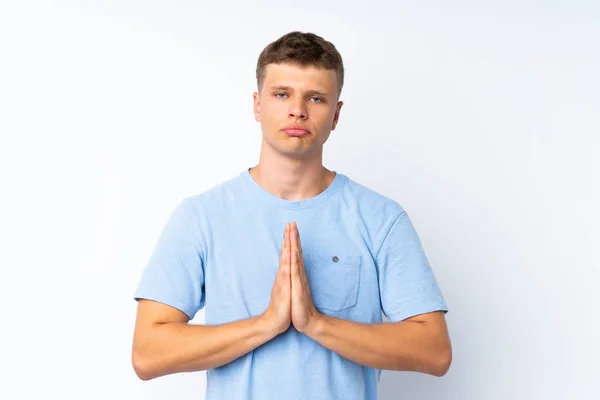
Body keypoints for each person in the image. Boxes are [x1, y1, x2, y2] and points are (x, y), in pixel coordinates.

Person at [131, 31, 452, 400]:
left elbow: (435, 350)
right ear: (257, 105)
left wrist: (315, 323)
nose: (297, 110)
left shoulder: (381, 218)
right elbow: (147, 353)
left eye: (315, 98)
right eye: (281, 94)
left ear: (336, 114)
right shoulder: (202, 216)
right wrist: (267, 324)